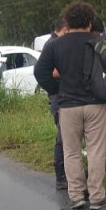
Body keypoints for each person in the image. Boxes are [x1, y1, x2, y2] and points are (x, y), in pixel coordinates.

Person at [36, 2, 106, 210]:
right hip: (95, 103)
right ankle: (97, 196)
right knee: (96, 150)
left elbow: (40, 72)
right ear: (89, 22)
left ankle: (77, 195)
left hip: (68, 104)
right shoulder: (98, 42)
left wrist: (56, 89)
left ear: (68, 22)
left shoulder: (55, 45)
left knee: (71, 151)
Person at [35, 17, 68, 190]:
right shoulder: (55, 44)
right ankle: (61, 176)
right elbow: (54, 72)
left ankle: (67, 173)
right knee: (63, 137)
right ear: (65, 29)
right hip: (58, 97)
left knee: (65, 136)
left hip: (57, 96)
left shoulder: (51, 42)